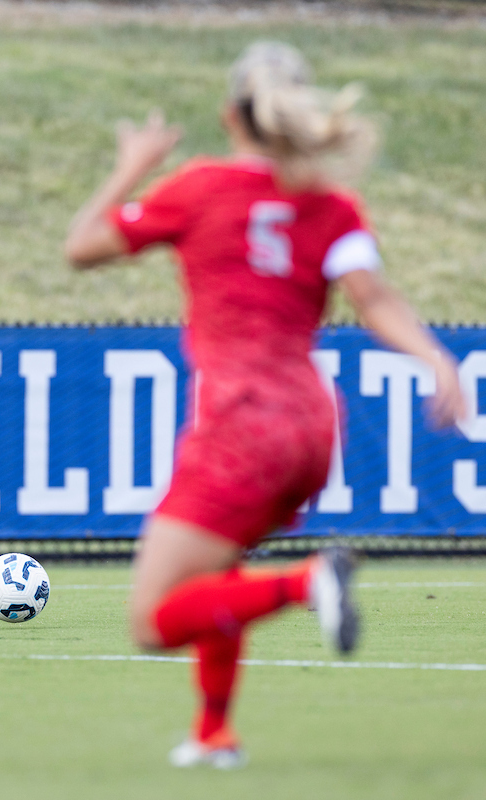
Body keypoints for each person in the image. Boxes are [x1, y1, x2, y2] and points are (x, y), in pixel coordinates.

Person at [63, 42, 465, 768]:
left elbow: (82, 247)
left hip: (241, 423)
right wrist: (437, 358)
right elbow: (372, 298)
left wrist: (132, 165)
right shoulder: (331, 204)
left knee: (153, 622)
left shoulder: (199, 187)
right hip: (312, 427)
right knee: (214, 576)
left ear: (230, 114)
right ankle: (215, 734)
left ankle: (307, 581)